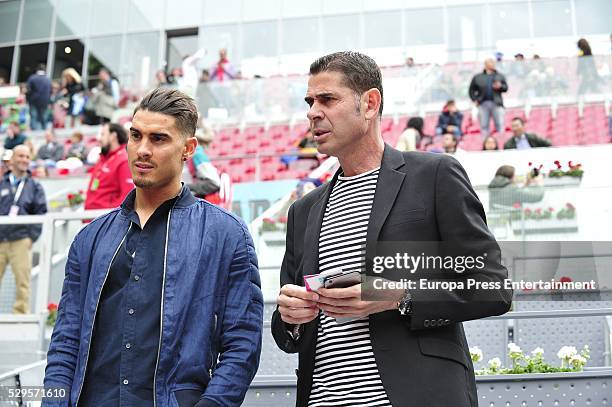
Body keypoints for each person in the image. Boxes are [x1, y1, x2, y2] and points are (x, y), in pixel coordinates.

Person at [271, 51, 512, 407]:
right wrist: (290, 316)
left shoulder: (435, 175)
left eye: (327, 99)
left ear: (370, 104)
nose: (312, 112)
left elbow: (493, 288)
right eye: (309, 102)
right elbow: (286, 333)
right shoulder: (303, 210)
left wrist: (399, 296)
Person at [44, 87, 263, 406]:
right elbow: (65, 342)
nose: (142, 150)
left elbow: (242, 343)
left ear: (188, 148)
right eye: (135, 136)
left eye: (158, 139)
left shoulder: (225, 234)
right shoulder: (90, 239)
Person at [0, 144, 47, 314]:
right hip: (0, 239)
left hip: (21, 239)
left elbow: (41, 213)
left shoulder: (34, 186)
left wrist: (30, 238)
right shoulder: (2, 183)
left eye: (27, 157)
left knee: (22, 281)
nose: (24, 160)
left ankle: (20, 315)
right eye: (21, 156)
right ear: (12, 160)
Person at [84, 122, 133, 210]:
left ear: (113, 136)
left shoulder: (123, 161)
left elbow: (127, 197)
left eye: (103, 134)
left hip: (106, 219)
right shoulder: (102, 159)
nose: (99, 138)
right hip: (92, 218)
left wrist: (109, 217)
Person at [469, 58, 508, 137]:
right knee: (484, 125)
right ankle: (485, 145)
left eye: (493, 62)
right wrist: (475, 100)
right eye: (490, 62)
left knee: (500, 124)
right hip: (482, 104)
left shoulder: (500, 76)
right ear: (486, 64)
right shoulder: (478, 77)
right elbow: (471, 90)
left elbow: (505, 88)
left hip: (496, 103)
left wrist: (500, 86)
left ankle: (501, 142)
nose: (493, 64)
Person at [187, 126, 221, 198]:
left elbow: (206, 174)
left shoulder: (196, 153)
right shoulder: (199, 152)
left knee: (183, 188)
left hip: (211, 184)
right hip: (210, 183)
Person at [26, 63, 52, 130]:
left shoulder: (32, 78)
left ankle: (34, 132)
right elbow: (50, 91)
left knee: (34, 116)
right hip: (45, 100)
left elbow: (28, 89)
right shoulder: (48, 79)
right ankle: (44, 130)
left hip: (33, 100)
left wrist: (28, 98)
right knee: (44, 117)